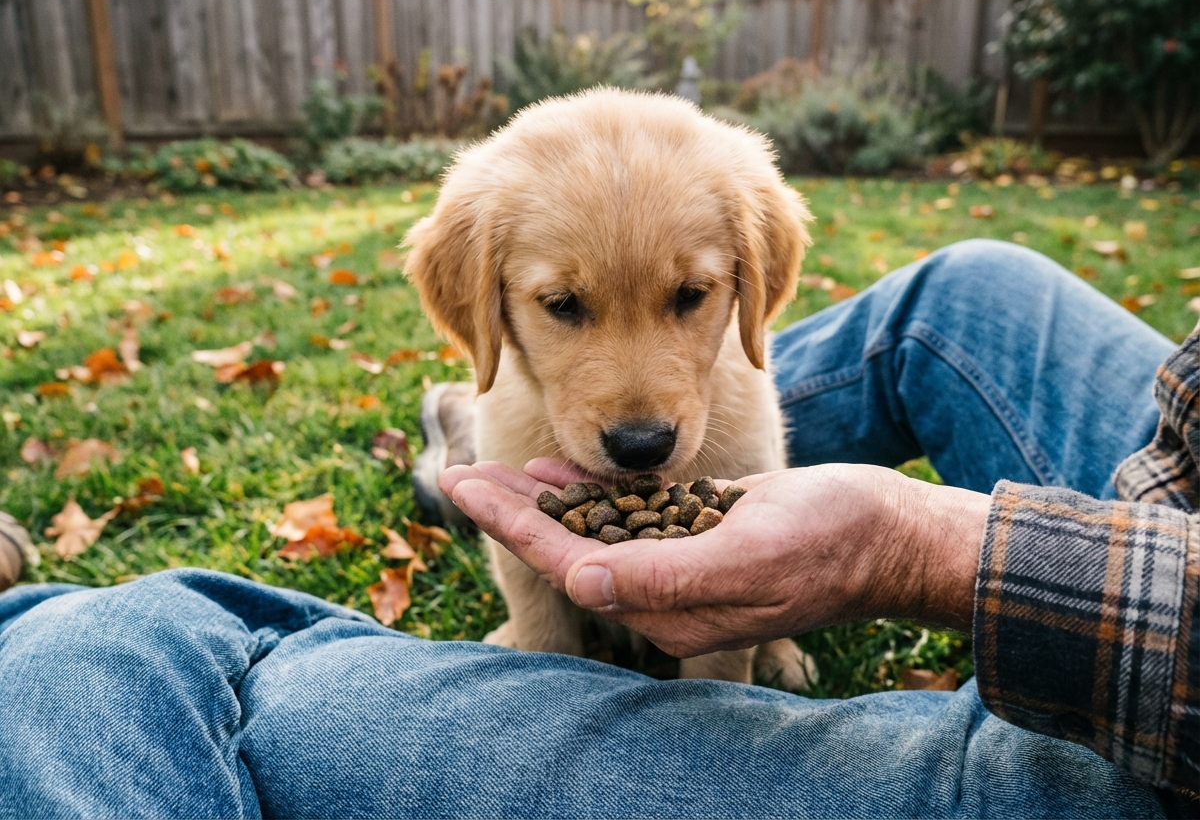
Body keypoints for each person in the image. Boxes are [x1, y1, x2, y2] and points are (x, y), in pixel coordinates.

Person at [0, 240, 1195, 818]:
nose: (640, 400)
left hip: (1147, 750)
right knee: (965, 291)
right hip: (1176, 494)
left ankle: (469, 461)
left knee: (115, 642)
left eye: (696, 293)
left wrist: (913, 546)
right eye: (562, 303)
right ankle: (478, 455)